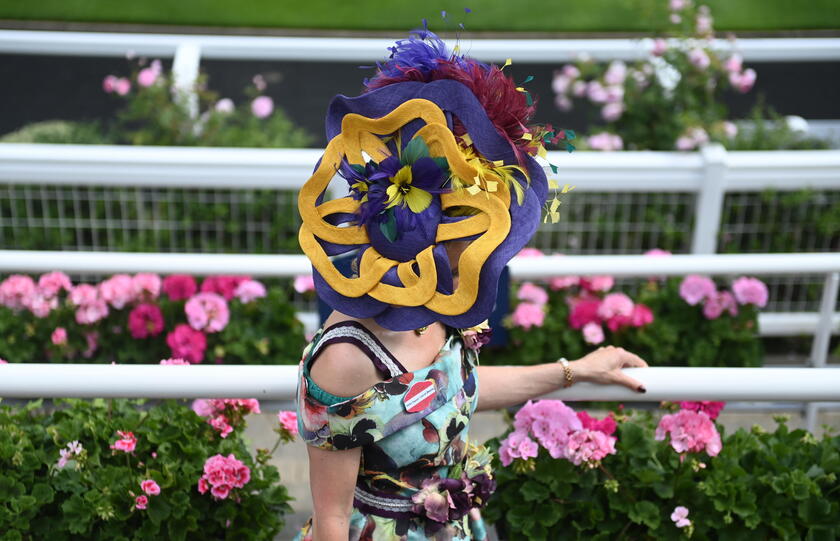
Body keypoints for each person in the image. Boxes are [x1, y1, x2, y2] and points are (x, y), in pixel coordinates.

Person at [293, 23, 648, 541]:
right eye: (480, 223)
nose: (490, 242)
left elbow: (454, 391)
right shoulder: (346, 359)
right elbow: (330, 520)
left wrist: (577, 371)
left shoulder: (438, 304)